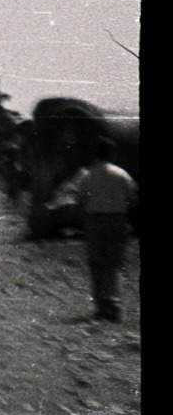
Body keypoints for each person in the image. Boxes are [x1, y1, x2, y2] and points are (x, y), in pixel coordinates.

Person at [74, 138, 137, 322]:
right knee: (113, 263)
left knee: (96, 264)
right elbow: (132, 199)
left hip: (95, 220)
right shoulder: (122, 174)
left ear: (95, 154)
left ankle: (101, 306)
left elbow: (80, 201)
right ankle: (114, 301)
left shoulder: (87, 176)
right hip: (117, 219)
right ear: (112, 154)